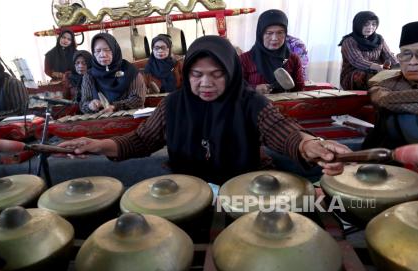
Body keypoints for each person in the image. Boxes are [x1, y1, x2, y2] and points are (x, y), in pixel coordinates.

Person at [60, 35, 351, 184]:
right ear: (186, 75)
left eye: (217, 73)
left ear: (232, 72)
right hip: (188, 190)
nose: (206, 83)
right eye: (196, 74)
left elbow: (282, 132)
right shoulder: (173, 104)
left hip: (245, 188)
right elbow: (141, 140)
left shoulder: (249, 101)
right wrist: (98, 144)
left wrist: (311, 144)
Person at [362, 21, 418, 149]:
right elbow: (383, 99)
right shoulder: (385, 84)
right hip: (389, 158)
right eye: (406, 54)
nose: (412, 62)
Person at [240, 9, 304, 94]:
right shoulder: (245, 59)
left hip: (286, 106)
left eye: (280, 32)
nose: (275, 38)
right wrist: (254, 88)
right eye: (269, 33)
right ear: (260, 34)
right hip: (255, 106)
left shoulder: (293, 59)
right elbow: (235, 87)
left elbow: (299, 89)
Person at [79, 33, 146, 114]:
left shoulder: (130, 71)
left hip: (128, 119)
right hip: (101, 121)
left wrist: (115, 107)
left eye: (107, 50)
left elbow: (138, 99)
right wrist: (90, 105)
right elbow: (83, 104)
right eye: (98, 51)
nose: (103, 54)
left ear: (115, 50)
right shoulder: (89, 75)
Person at [339, 11, 398, 90]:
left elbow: (389, 55)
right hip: (354, 74)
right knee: (366, 75)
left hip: (379, 71)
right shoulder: (349, 41)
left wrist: (400, 67)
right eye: (366, 24)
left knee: (398, 75)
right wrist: (377, 67)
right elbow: (357, 61)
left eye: (373, 24)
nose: (370, 27)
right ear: (358, 24)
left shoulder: (379, 39)